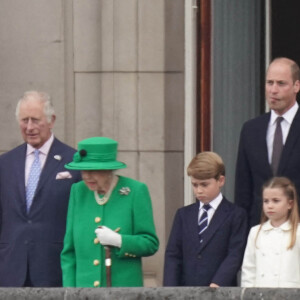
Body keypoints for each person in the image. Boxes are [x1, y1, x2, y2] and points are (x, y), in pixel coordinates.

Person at [0, 91, 81, 287]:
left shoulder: (74, 162)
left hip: (54, 270)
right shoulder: (5, 163)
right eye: (24, 120)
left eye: (35, 120)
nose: (29, 127)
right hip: (11, 272)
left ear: (51, 120)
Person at [61, 137, 159, 287]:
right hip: (83, 293)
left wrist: (120, 241)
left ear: (109, 169)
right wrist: (69, 293)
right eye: (83, 170)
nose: (86, 176)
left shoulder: (135, 191)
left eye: (93, 170)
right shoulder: (78, 191)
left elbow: (150, 243)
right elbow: (69, 252)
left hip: (123, 293)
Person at [163, 151, 248, 287]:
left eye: (204, 185)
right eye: (195, 185)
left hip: (221, 291)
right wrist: (169, 291)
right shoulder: (183, 215)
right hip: (186, 291)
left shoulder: (236, 214)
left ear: (220, 180)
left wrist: (218, 282)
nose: (198, 191)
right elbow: (173, 255)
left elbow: (235, 254)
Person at [235, 57, 300, 228]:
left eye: (281, 83)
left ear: (296, 86)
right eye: (269, 83)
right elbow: (243, 191)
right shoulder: (251, 130)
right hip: (260, 232)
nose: (273, 90)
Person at [241, 177, 300, 287]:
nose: (270, 206)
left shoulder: (297, 232)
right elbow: (249, 270)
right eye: (266, 201)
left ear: (290, 204)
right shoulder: (255, 232)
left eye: (276, 201)